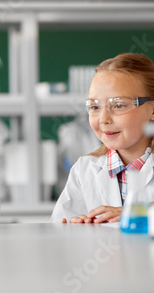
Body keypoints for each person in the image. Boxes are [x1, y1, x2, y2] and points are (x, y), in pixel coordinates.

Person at [51, 53, 154, 223]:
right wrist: (76, 230)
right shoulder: (84, 170)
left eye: (119, 105)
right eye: (94, 106)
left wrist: (138, 213)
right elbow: (58, 231)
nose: (104, 118)